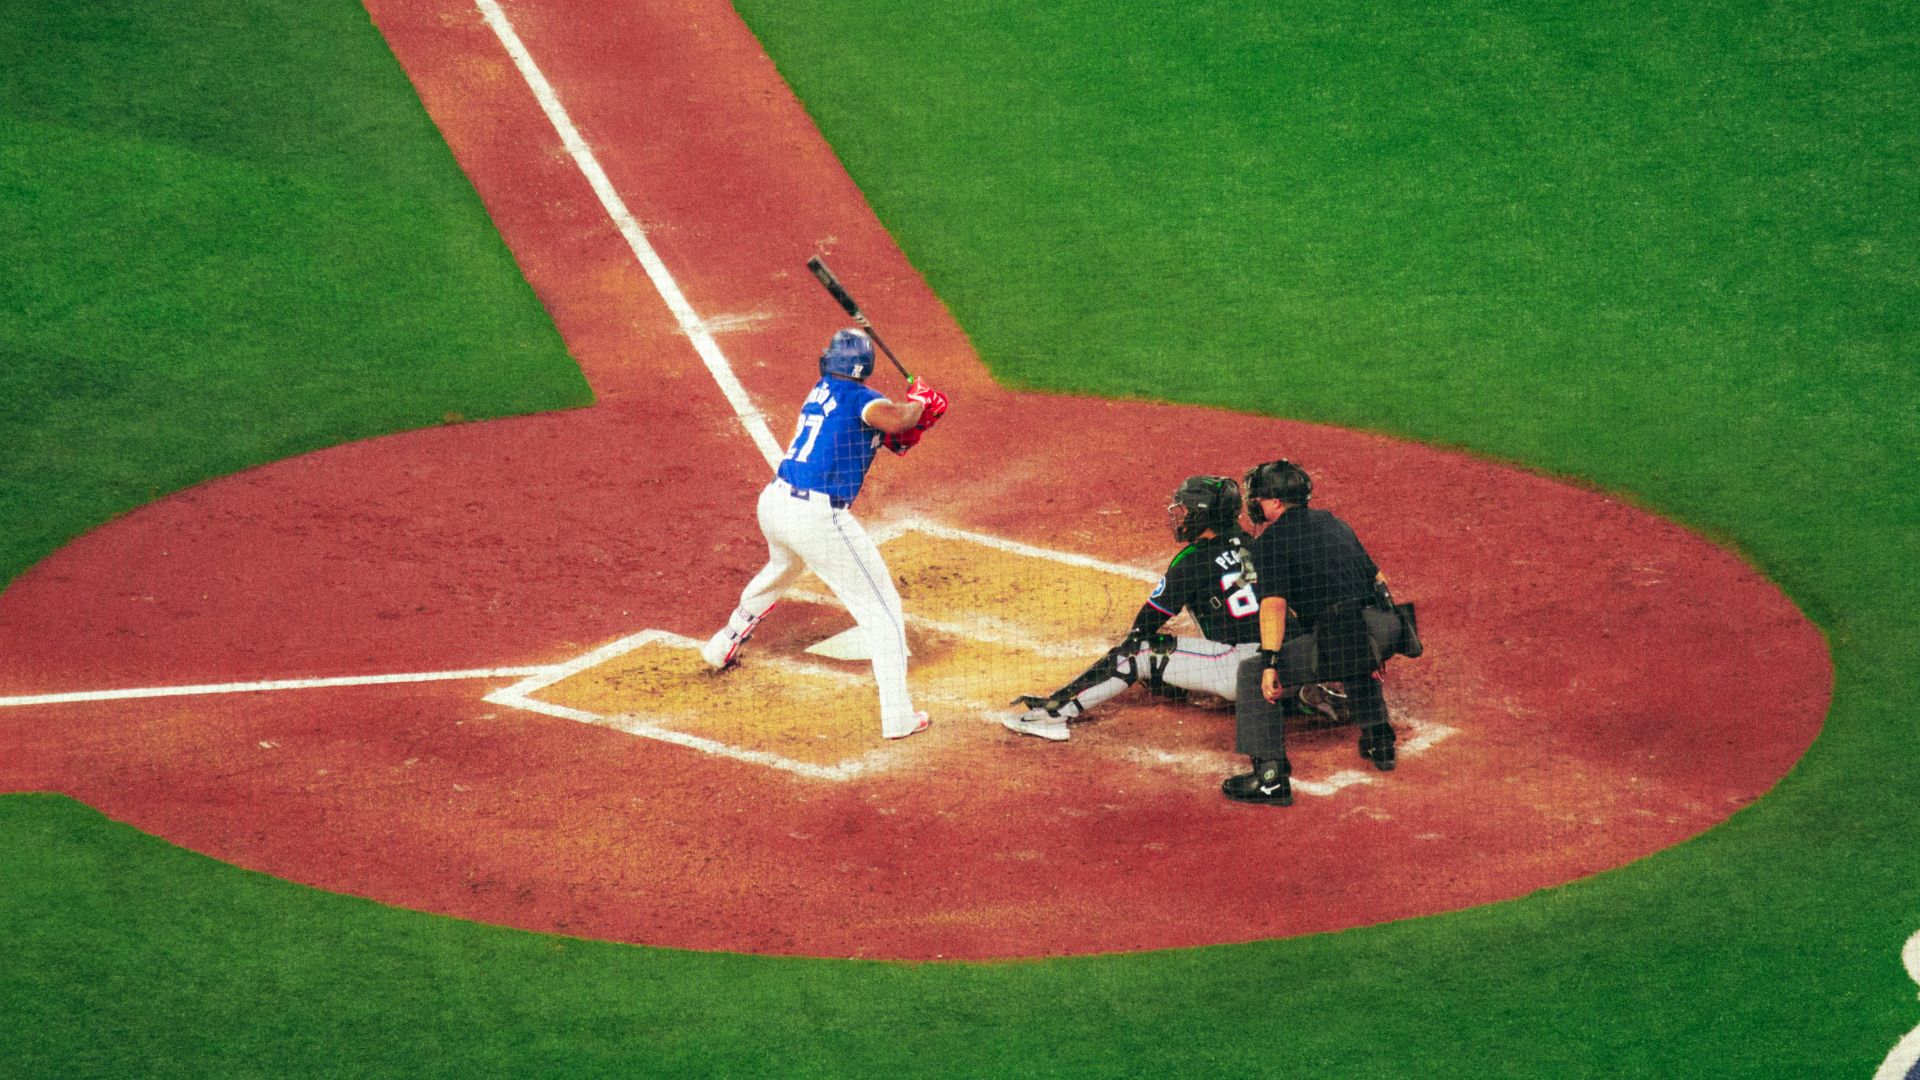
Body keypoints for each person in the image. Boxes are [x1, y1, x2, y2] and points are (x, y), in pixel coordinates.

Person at [700, 328, 946, 740]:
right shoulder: (862, 400)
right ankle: (898, 716)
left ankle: (723, 642)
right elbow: (896, 418)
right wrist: (920, 402)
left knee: (781, 569)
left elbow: (897, 439)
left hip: (775, 504)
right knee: (883, 611)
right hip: (815, 518)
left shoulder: (823, 393)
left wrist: (921, 417)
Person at [1002, 475, 1343, 741]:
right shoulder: (1257, 544)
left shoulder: (1192, 560)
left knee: (1138, 652)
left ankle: (1052, 715)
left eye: (1188, 510)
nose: (1182, 516)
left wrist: (1160, 676)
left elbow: (1145, 624)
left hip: (1244, 669)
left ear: (1204, 516)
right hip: (1295, 657)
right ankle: (1300, 693)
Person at [1222, 459, 1403, 806]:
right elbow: (1378, 580)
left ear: (1276, 502)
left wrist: (1270, 664)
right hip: (1385, 625)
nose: (1254, 503)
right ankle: (1380, 739)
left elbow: (1273, 606)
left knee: (1252, 673)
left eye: (1258, 498)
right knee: (1350, 645)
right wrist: (1380, 647)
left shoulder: (1272, 541)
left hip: (1347, 634)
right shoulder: (1334, 522)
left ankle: (1270, 779)